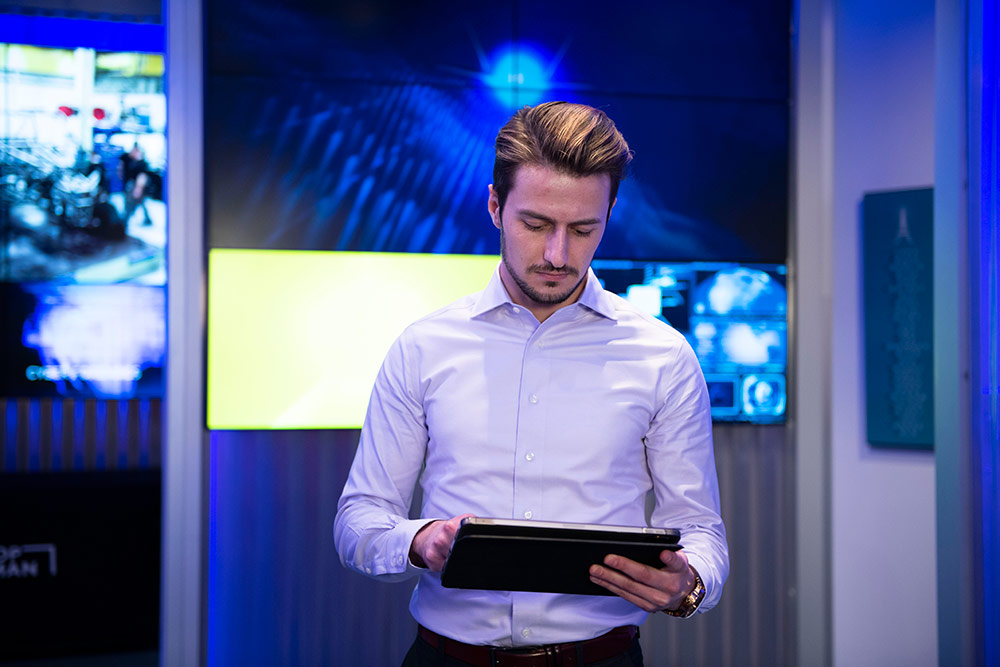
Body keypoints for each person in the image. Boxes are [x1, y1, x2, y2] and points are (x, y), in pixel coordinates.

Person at [335, 101, 728, 667]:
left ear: (609, 215)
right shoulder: (424, 346)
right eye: (536, 224)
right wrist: (422, 542)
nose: (557, 254)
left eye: (583, 229)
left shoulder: (663, 356)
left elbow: (700, 531)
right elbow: (359, 522)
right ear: (495, 206)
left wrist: (687, 587)